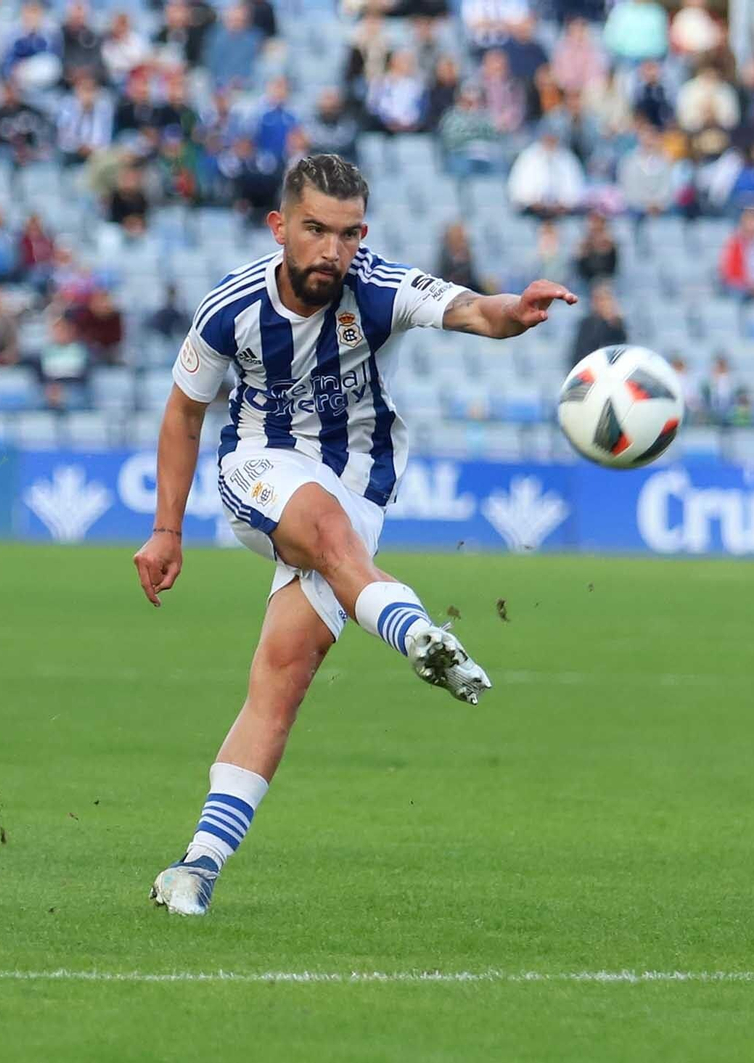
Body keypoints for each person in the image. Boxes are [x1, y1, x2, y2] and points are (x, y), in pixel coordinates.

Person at [136, 155, 577, 917]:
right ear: (280, 227)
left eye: (345, 234)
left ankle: (194, 865)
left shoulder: (378, 288)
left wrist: (517, 308)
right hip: (258, 469)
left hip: (359, 484)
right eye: (314, 231)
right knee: (329, 530)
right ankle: (415, 636)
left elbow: (474, 309)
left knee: (283, 674)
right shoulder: (228, 310)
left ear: (361, 234)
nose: (330, 250)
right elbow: (183, 412)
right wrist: (166, 528)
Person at [507, 127, 586, 217]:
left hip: (561, 212)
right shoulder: (528, 156)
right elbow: (517, 188)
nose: (550, 141)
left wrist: (564, 203)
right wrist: (532, 201)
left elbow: (576, 188)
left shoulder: (567, 157)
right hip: (531, 210)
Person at [571, 281, 628, 365]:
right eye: (600, 300)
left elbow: (621, 347)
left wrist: (614, 323)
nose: (604, 304)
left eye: (607, 299)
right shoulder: (586, 323)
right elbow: (583, 351)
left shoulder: (617, 323)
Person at [573, 212, 619, 284]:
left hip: (605, 278)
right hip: (586, 279)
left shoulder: (609, 242)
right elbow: (578, 261)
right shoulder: (584, 243)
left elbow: (610, 266)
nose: (592, 226)